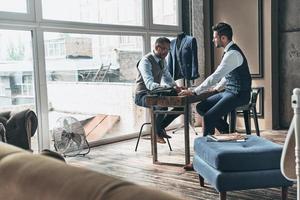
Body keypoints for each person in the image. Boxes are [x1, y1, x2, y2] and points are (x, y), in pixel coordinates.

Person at [179, 22, 252, 137]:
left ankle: (208, 147)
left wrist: (194, 91)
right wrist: (217, 88)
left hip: (239, 94)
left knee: (208, 117)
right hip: (229, 92)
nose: (213, 40)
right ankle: (228, 131)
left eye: (215, 37)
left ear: (223, 38)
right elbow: (227, 76)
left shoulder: (232, 54)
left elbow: (216, 76)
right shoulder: (229, 52)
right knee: (201, 107)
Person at [135, 37, 183, 144]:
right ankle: (156, 133)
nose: (167, 52)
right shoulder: (145, 61)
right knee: (162, 105)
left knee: (181, 105)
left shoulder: (162, 61)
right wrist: (168, 88)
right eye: (166, 49)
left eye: (168, 50)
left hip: (155, 93)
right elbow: (149, 84)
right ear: (158, 48)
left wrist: (176, 87)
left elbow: (167, 78)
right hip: (142, 95)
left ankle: (159, 129)